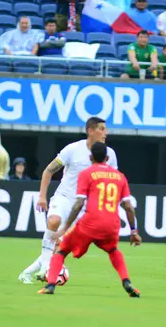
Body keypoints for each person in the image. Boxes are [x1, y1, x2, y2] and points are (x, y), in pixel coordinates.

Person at [19, 117, 118, 284]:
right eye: (101, 129)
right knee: (53, 220)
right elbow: (49, 170)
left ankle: (26, 273)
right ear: (90, 131)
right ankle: (45, 269)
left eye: (105, 129)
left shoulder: (110, 154)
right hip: (64, 197)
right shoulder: (72, 149)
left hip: (84, 208)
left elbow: (112, 180)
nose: (105, 133)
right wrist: (42, 196)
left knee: (60, 245)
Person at [38, 142, 142, 297]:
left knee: (61, 251)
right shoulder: (120, 177)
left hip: (90, 222)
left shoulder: (87, 174)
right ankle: (126, 281)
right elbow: (128, 206)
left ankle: (50, 284)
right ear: (107, 158)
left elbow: (79, 203)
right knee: (113, 251)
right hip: (112, 224)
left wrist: (65, 228)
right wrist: (134, 231)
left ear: (90, 157)